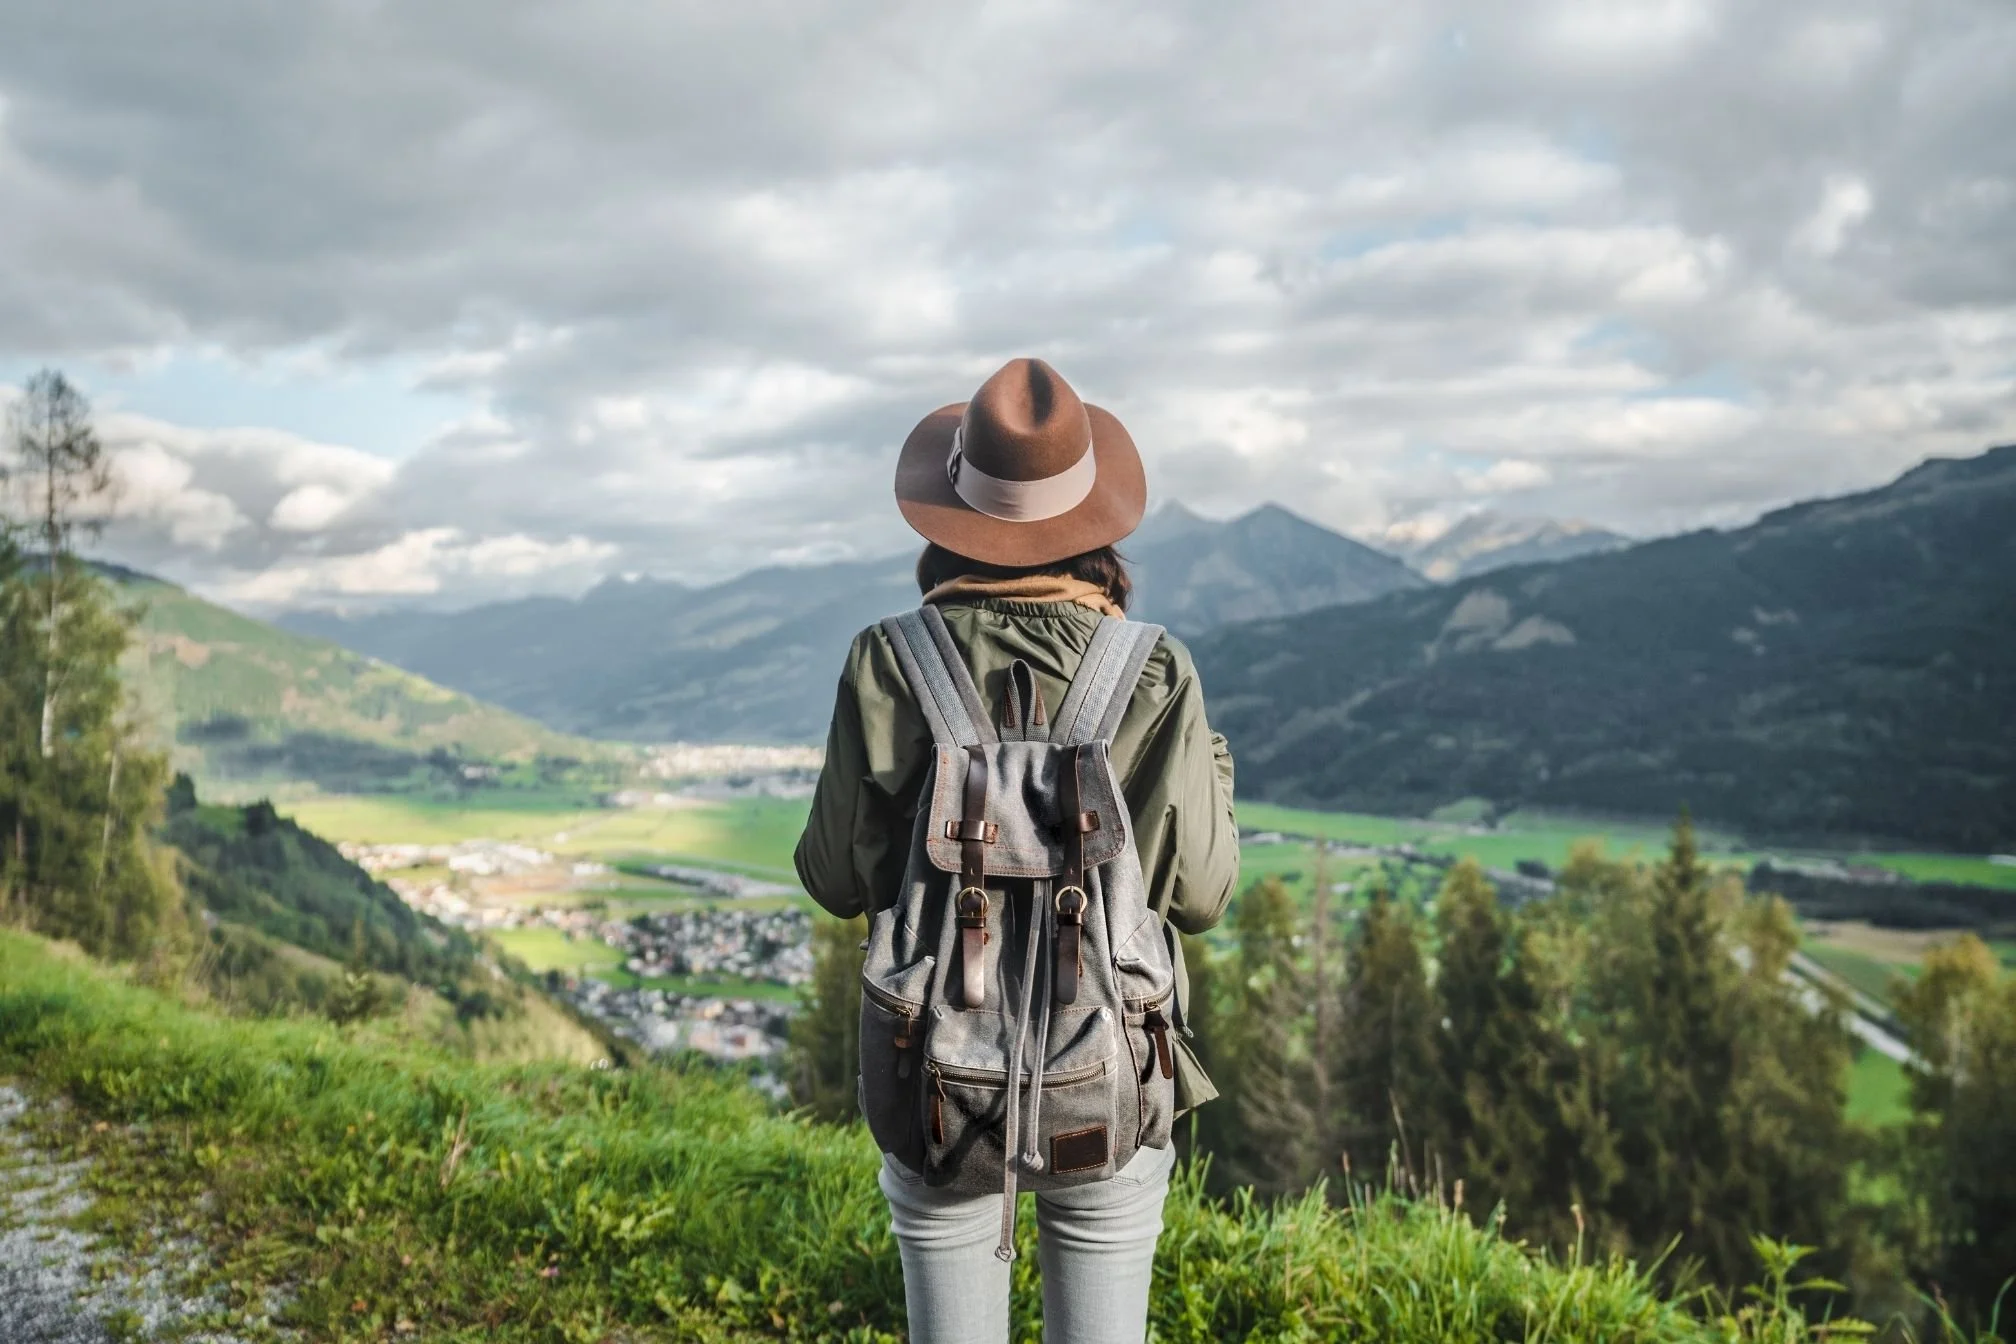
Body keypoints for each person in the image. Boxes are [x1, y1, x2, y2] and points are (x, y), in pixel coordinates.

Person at [794, 357, 1240, 1344]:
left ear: (953, 510)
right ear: (1094, 518)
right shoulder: (1154, 668)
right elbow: (1202, 896)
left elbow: (833, 877)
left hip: (934, 1073)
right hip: (1113, 1068)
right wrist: (1208, 761)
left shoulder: (886, 659)